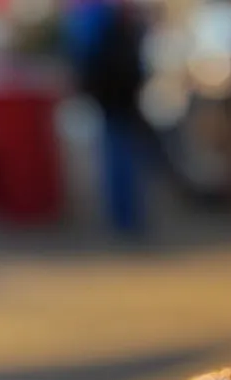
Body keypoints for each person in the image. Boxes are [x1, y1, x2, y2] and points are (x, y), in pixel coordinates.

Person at [64, 0, 147, 232]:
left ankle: (123, 217)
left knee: (116, 155)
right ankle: (127, 216)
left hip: (112, 97)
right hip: (122, 95)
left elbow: (85, 57)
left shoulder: (93, 17)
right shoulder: (113, 16)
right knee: (122, 155)